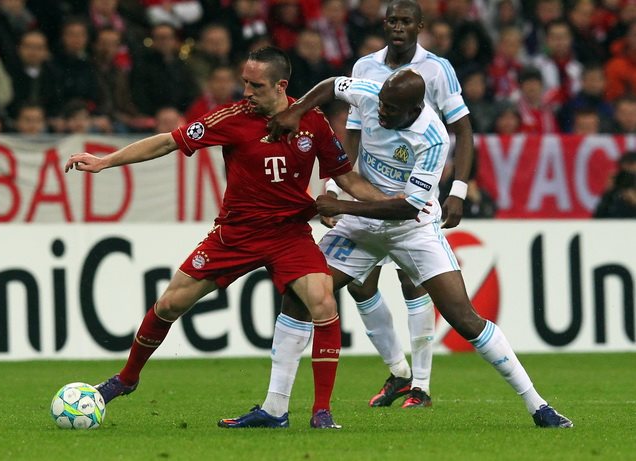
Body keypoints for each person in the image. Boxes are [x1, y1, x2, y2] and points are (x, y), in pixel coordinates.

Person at [64, 46, 399, 429]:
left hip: (289, 234)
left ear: (281, 86)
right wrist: (106, 161)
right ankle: (127, 379)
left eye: (256, 85)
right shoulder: (231, 118)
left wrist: (393, 203)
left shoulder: (313, 121)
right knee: (170, 304)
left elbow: (347, 177)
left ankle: (321, 412)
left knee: (323, 302)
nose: (246, 92)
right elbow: (168, 141)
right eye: (245, 83)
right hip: (236, 234)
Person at [242, 68, 572, 429]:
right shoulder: (372, 94)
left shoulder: (433, 137)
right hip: (362, 226)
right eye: (381, 103)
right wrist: (298, 109)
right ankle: (275, 409)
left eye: (391, 109)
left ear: (415, 108)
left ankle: (538, 405)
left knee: (464, 318)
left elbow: (407, 207)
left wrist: (342, 206)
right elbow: (331, 86)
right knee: (298, 296)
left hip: (412, 230)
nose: (381, 111)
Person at [320, 0, 476, 409]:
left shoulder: (437, 69)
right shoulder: (364, 67)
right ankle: (399, 372)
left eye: (406, 21)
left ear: (420, 26)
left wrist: (458, 189)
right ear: (384, 24)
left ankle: (421, 385)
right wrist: (337, 185)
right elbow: (353, 130)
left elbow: (462, 129)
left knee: (412, 281)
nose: (398, 27)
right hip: (369, 189)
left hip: (412, 193)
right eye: (392, 20)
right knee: (360, 285)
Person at [593, 151, 636, 218]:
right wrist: (607, 193)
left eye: (631, 173)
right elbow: (597, 218)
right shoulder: (615, 193)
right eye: (624, 172)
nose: (627, 177)